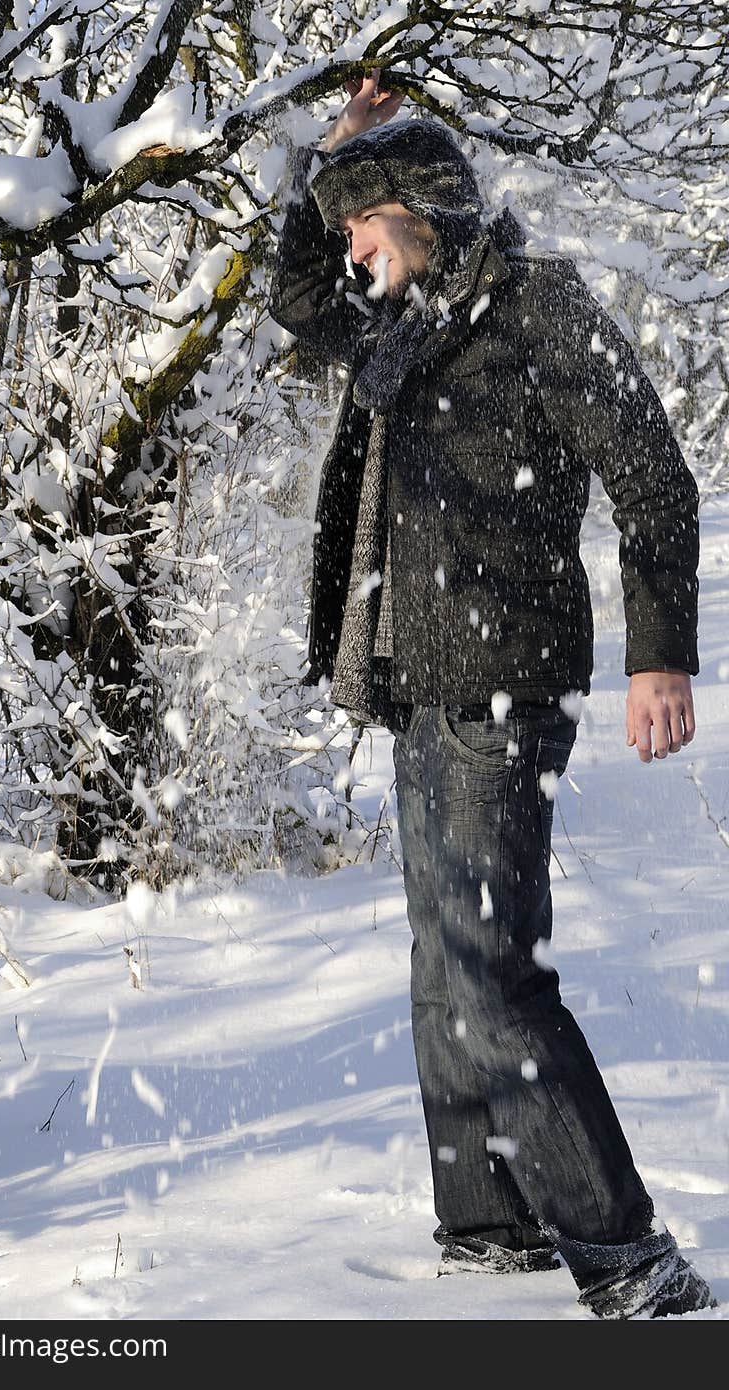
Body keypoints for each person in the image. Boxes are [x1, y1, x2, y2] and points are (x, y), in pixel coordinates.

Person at [268, 71, 715, 1319]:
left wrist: (659, 652)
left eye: (362, 220)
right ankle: (486, 1221)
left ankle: (627, 1257)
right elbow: (295, 294)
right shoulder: (394, 325)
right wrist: (332, 154)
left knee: (488, 971)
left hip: (500, 684)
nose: (349, 252)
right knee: (439, 961)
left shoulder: (537, 308)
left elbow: (653, 478)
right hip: (413, 682)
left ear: (417, 205)